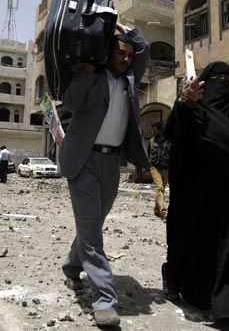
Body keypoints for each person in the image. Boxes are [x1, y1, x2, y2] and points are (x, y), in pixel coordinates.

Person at [162, 62, 229, 331]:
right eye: (216, 78)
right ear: (204, 83)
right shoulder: (191, 109)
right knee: (190, 243)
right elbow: (171, 132)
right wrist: (184, 102)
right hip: (196, 193)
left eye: (228, 79)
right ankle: (185, 285)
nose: (222, 83)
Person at [59, 24, 150, 327]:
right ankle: (104, 300)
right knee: (91, 230)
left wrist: (127, 29)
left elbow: (145, 49)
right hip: (84, 160)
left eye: (129, 55)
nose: (126, 59)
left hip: (113, 163)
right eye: (120, 53)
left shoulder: (130, 79)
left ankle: (72, 267)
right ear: (107, 52)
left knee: (93, 223)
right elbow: (70, 102)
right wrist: (86, 70)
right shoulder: (91, 76)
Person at [148, 122, 171, 219]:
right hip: (155, 167)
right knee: (159, 188)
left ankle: (157, 210)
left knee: (162, 189)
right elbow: (148, 153)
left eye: (155, 130)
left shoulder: (169, 141)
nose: (153, 132)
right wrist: (145, 166)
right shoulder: (152, 141)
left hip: (166, 168)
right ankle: (163, 211)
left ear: (160, 130)